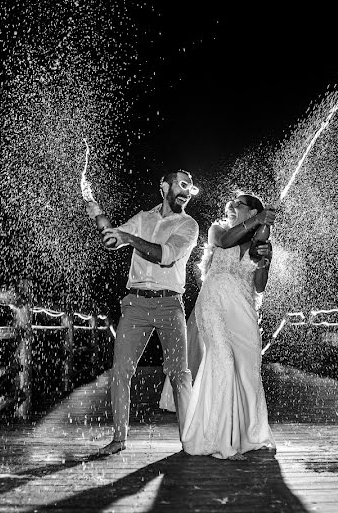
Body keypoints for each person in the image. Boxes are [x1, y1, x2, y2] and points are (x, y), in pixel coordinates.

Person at [86, 170, 201, 456]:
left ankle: (189, 441)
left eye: (191, 188)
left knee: (179, 374)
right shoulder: (143, 218)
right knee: (120, 372)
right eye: (182, 185)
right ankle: (118, 439)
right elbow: (113, 241)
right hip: (135, 304)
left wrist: (129, 238)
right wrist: (98, 215)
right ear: (164, 186)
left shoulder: (189, 225)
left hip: (169, 304)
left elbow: (165, 255)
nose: (187, 192)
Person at [179, 192, 277, 460]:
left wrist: (265, 263)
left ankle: (249, 435)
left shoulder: (260, 242)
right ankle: (223, 442)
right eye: (232, 203)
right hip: (213, 303)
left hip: (243, 309)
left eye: (239, 204)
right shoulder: (218, 230)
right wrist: (257, 219)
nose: (232, 206)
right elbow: (223, 242)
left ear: (252, 211)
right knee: (222, 361)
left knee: (247, 371)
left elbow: (259, 285)